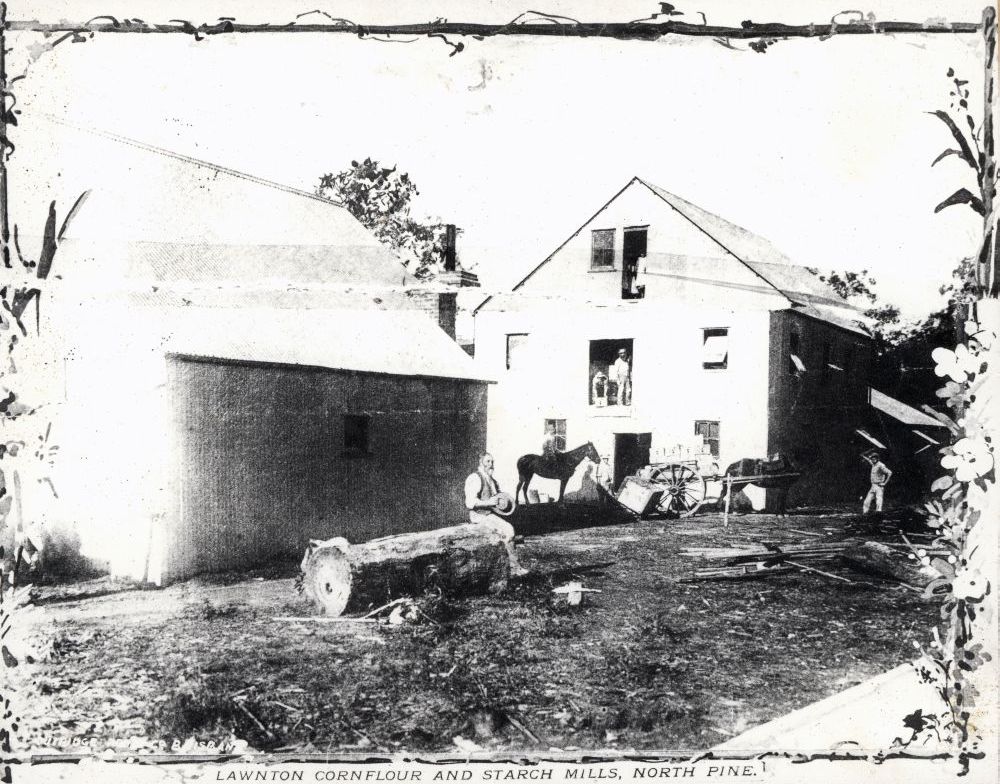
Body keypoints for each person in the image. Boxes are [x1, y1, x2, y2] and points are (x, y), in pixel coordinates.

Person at [464, 453, 528, 576]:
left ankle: (506, 568)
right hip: (480, 515)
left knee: (515, 526)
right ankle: (515, 568)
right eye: (487, 462)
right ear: (480, 463)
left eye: (492, 462)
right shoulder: (475, 478)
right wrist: (489, 502)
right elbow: (470, 503)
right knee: (509, 530)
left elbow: (497, 498)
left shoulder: (491, 480)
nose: (491, 465)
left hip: (491, 514)